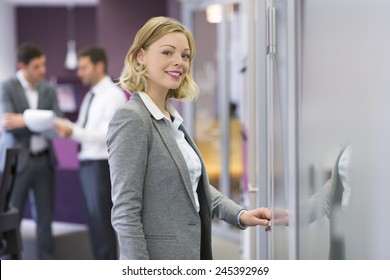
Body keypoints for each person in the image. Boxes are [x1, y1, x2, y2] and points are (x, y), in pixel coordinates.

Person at [106, 16, 271, 260]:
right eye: (167, 52)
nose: (179, 62)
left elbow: (194, 188)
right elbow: (125, 210)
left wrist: (240, 215)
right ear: (141, 56)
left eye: (185, 56)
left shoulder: (171, 118)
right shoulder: (132, 118)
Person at [54, 46, 127, 259]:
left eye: (84, 67)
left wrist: (72, 131)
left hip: (100, 166)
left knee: (102, 225)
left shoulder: (113, 96)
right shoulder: (91, 95)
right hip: (87, 164)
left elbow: (106, 135)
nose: (80, 73)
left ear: (99, 66)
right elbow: (83, 127)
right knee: (94, 226)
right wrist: (65, 126)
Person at [0, 42, 63, 259]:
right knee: (11, 218)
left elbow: (58, 122)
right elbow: (8, 121)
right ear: (22, 66)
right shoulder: (7, 86)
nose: (42, 70)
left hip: (44, 161)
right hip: (18, 163)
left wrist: (24, 119)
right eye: (37, 66)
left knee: (45, 220)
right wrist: (42, 121)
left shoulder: (48, 89)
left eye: (43, 65)